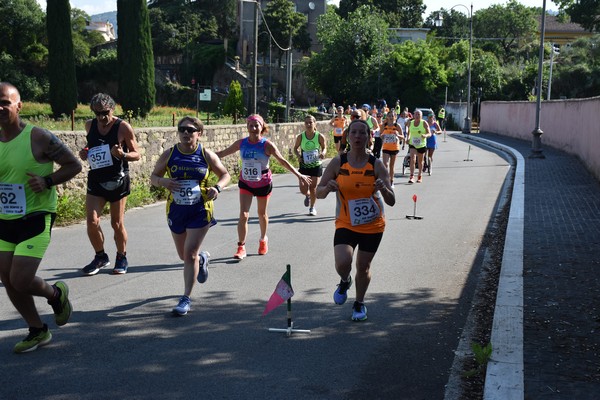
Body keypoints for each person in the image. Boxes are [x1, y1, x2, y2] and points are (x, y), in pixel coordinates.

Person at [0, 82, 82, 353]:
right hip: (4, 219)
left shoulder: (37, 136)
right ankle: (37, 330)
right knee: (8, 279)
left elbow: (74, 164)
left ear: (18, 105)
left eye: (4, 102)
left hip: (36, 215)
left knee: (21, 279)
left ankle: (56, 294)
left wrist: (47, 180)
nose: (0, 108)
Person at [316, 118, 395, 321]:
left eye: (362, 133)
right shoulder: (338, 162)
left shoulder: (376, 164)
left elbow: (392, 200)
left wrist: (384, 189)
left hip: (373, 224)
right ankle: (344, 280)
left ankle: (359, 303)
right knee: (343, 262)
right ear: (348, 136)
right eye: (354, 133)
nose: (358, 136)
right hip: (346, 222)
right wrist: (327, 187)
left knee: (363, 266)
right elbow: (318, 193)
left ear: (369, 137)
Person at [150, 117, 230, 315]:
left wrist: (217, 188)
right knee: (184, 255)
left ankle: (185, 298)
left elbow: (225, 174)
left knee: (190, 253)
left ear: (199, 133)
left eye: (190, 130)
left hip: (200, 209)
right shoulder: (170, 154)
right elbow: (153, 177)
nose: (186, 133)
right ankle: (202, 260)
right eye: (182, 129)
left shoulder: (206, 154)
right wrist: (164, 182)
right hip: (176, 210)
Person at [216, 114, 311, 260]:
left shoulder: (267, 145)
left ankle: (263, 239)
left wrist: (299, 175)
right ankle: (241, 247)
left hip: (263, 183)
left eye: (256, 125)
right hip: (246, 182)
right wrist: (201, 157)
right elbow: (221, 154)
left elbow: (282, 161)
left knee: (262, 214)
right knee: (243, 215)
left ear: (262, 127)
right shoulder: (241, 143)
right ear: (247, 127)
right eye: (250, 126)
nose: (253, 128)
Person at [79, 93, 140, 275]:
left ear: (113, 109)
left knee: (116, 223)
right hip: (96, 180)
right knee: (91, 221)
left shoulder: (123, 127)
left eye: (105, 112)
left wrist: (123, 155)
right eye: (97, 113)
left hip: (118, 180)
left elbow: (136, 153)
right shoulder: (90, 125)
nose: (102, 117)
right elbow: (93, 146)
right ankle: (100, 257)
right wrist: (85, 152)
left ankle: (121, 256)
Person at [293, 115, 327, 216]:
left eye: (310, 122)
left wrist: (323, 153)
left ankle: (312, 207)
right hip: (304, 165)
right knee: (303, 189)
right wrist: (298, 156)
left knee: (313, 187)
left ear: (314, 123)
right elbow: (295, 148)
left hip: (316, 165)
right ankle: (307, 195)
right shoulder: (301, 136)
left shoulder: (319, 136)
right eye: (306, 123)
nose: (308, 124)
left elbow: (324, 147)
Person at [380, 110, 404, 187]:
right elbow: (380, 135)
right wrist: (382, 136)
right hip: (386, 147)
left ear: (395, 117)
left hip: (394, 147)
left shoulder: (397, 126)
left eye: (392, 116)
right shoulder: (384, 125)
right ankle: (385, 180)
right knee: (385, 164)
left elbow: (403, 137)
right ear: (387, 117)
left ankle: (391, 181)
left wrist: (398, 135)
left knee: (391, 166)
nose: (391, 117)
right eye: (389, 116)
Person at [406, 109, 431, 184]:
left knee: (420, 161)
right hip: (412, 143)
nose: (417, 116)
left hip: (421, 144)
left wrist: (425, 135)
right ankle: (412, 176)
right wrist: (408, 138)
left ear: (421, 116)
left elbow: (429, 133)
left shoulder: (424, 123)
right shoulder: (411, 123)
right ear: (413, 115)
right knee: (412, 159)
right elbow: (409, 132)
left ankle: (419, 175)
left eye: (418, 114)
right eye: (416, 114)